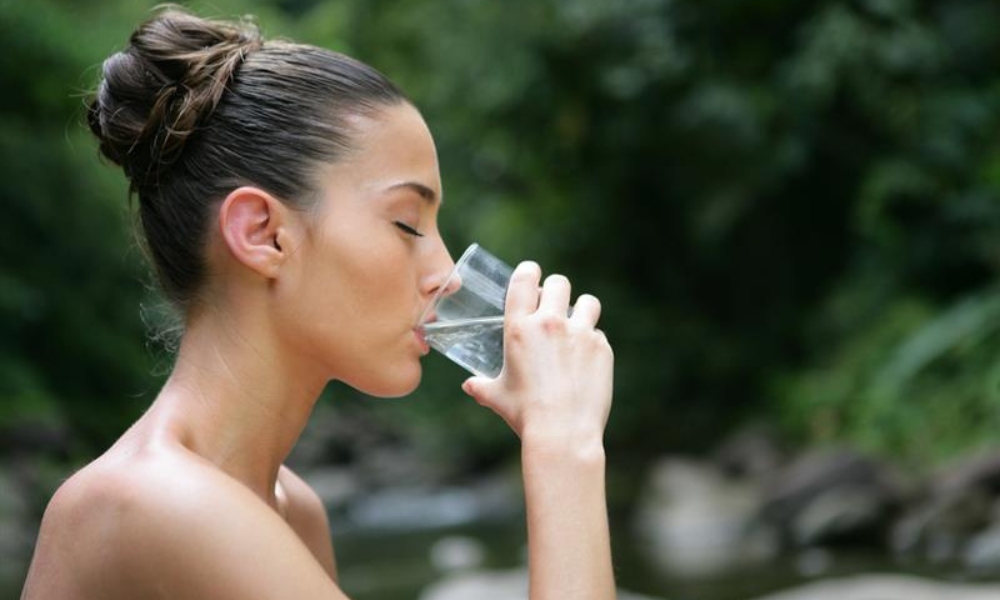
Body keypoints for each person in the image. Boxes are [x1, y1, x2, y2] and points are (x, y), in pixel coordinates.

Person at [21, 7, 615, 600]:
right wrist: (564, 445)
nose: (446, 274)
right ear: (263, 234)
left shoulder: (290, 508)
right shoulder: (158, 504)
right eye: (408, 224)